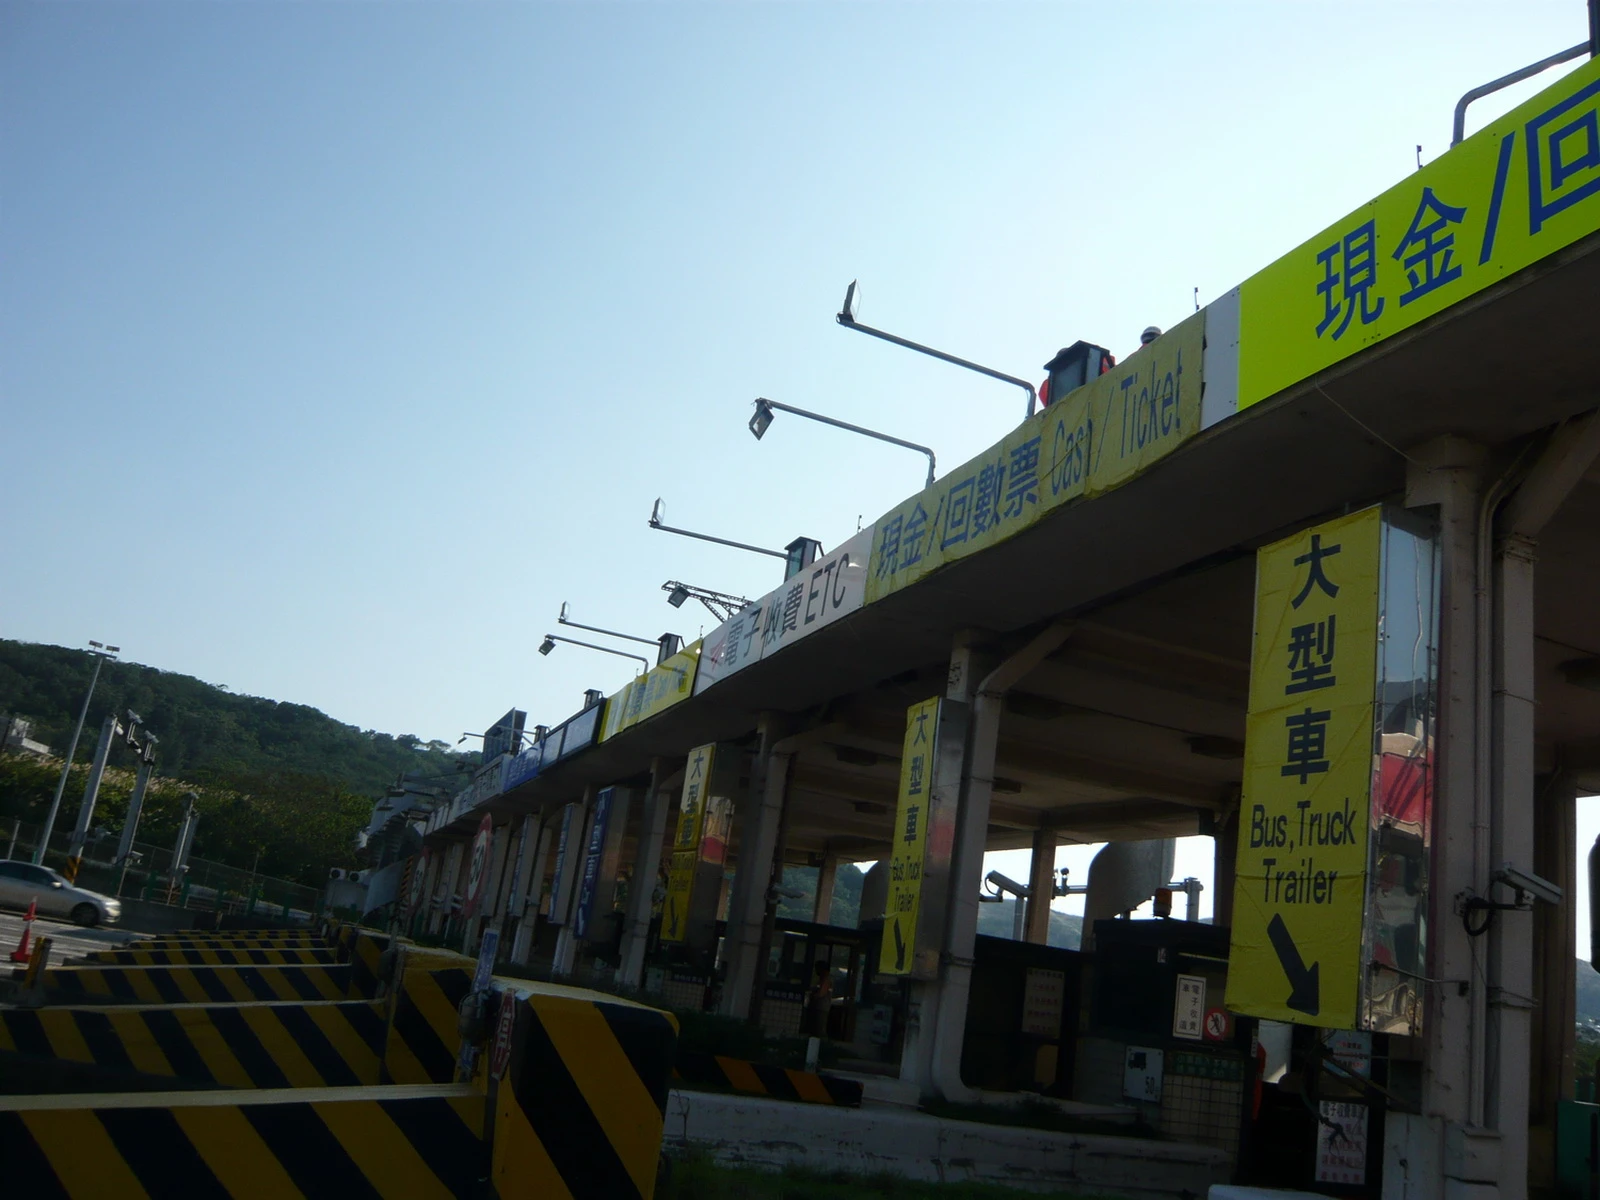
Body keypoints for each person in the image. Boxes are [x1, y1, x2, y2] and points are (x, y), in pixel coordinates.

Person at [805, 959, 833, 1038]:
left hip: (822, 1008)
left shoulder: (827, 980)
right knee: (814, 1029)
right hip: (817, 1007)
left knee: (820, 1029)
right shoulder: (820, 980)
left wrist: (813, 995)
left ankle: (822, 1043)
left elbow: (821, 993)